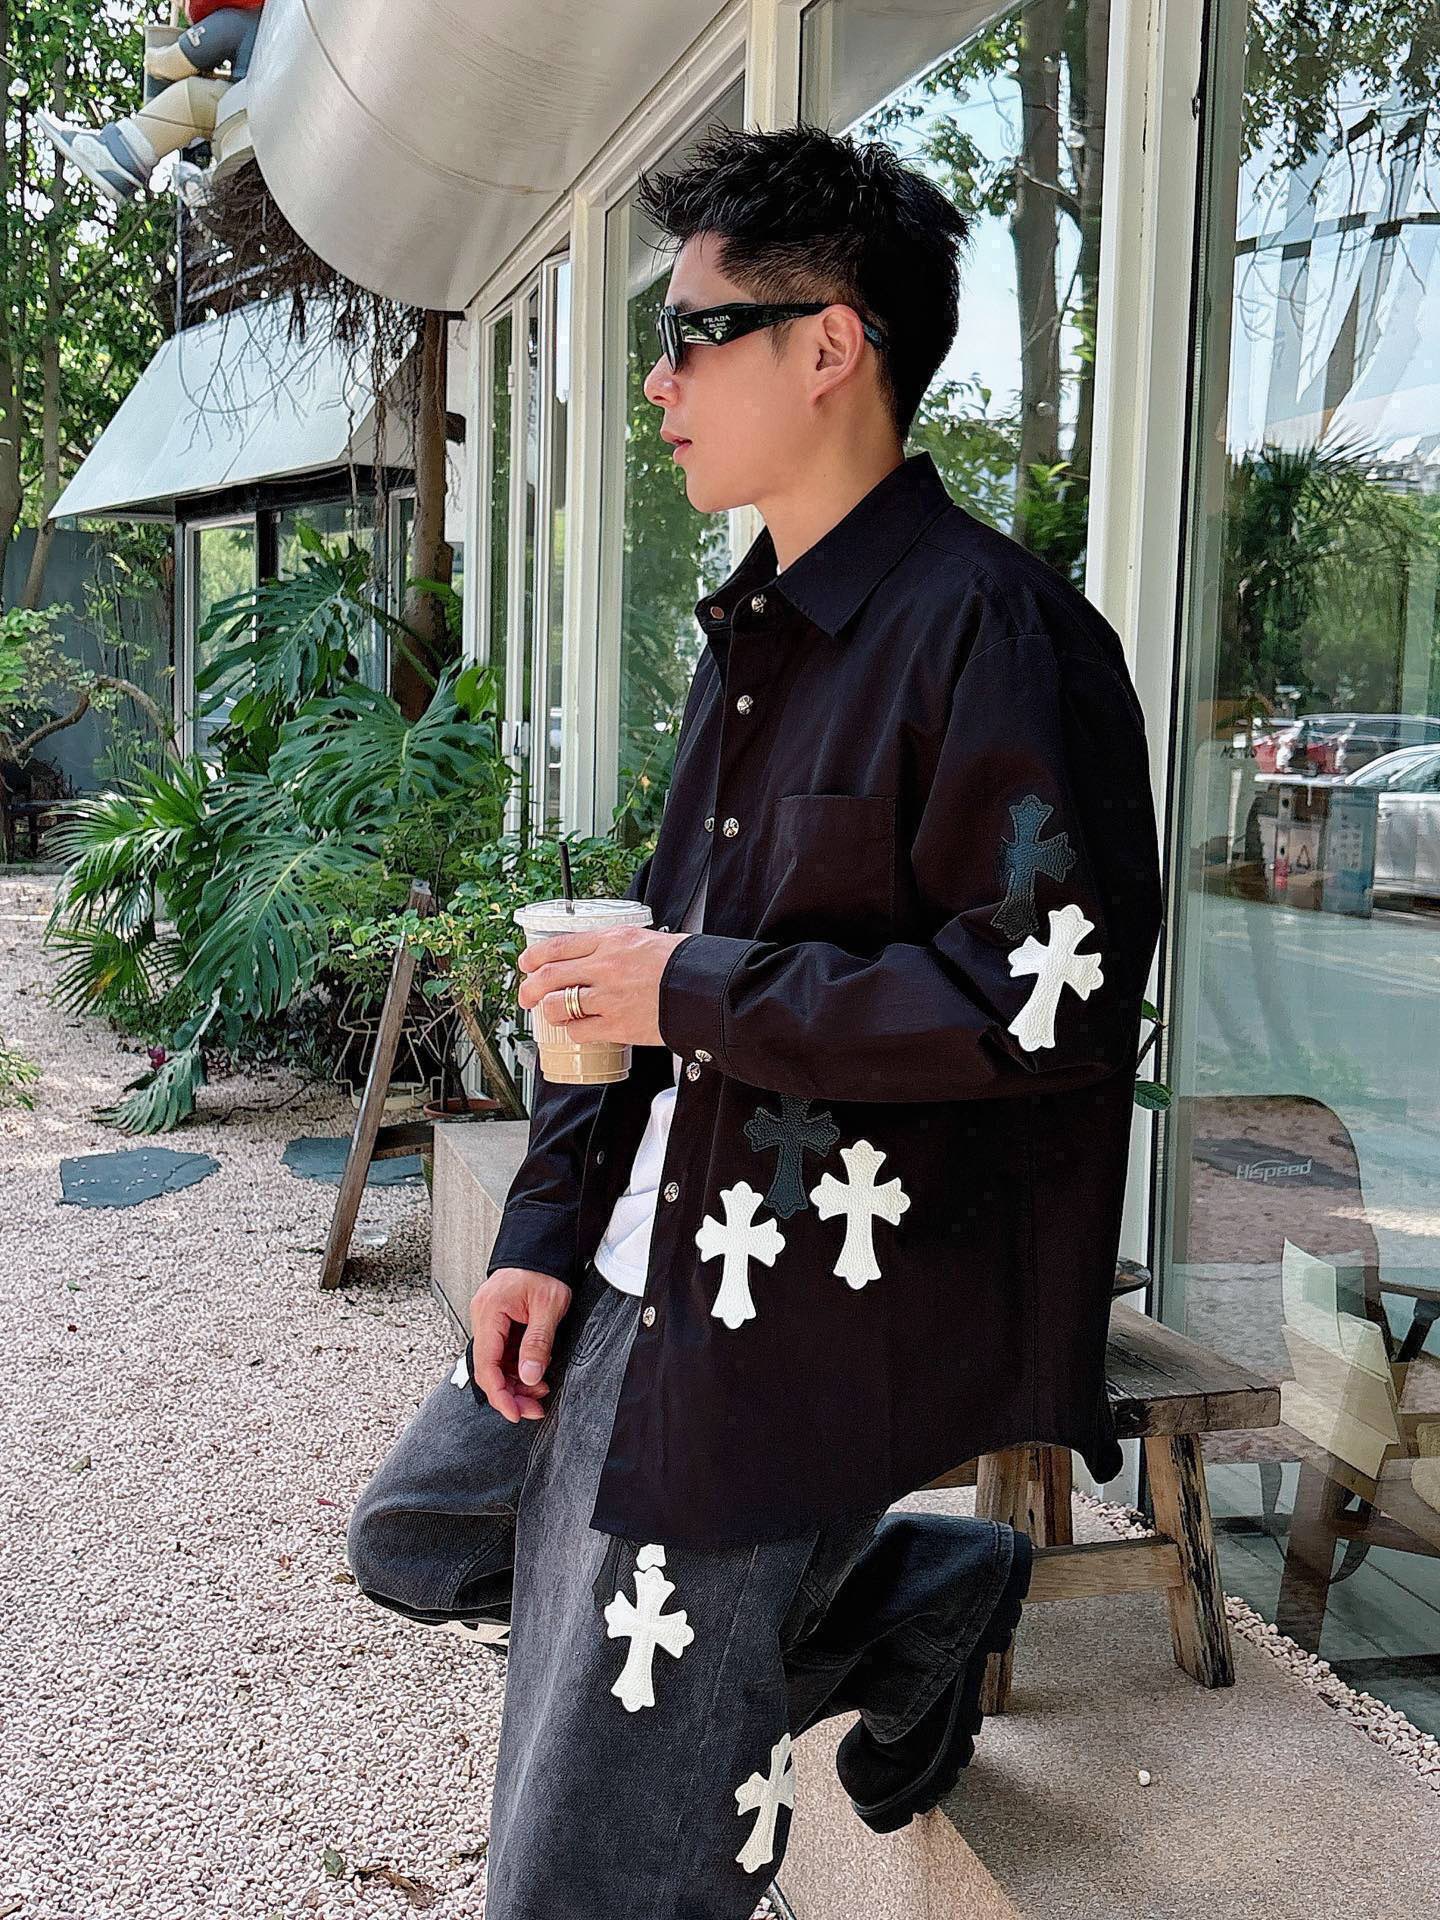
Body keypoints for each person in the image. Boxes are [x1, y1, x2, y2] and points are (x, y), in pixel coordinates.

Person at [347, 121, 1164, 1919]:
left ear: (828, 345)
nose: (658, 381)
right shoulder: (756, 637)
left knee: (585, 1878)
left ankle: (791, 1655)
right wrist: (542, 1231)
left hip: (777, 1309)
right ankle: (904, 1599)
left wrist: (694, 986)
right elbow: (652, 964)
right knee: (415, 1536)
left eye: (693, 334)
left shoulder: (1001, 638)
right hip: (633, 1257)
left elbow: (1050, 1002)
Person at [36, 1, 264, 206]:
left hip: (253, 118)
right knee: (221, 98)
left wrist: (156, 59)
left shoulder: (236, 19)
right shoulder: (271, 22)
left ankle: (122, 154)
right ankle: (213, 187)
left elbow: (176, 63)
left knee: (192, 97)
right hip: (268, 115)